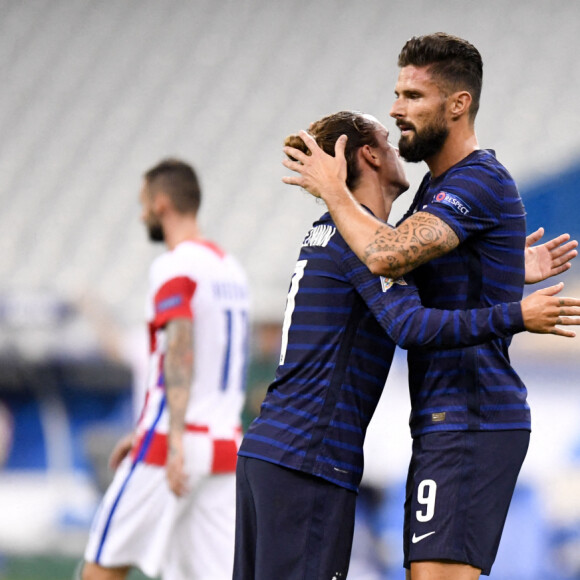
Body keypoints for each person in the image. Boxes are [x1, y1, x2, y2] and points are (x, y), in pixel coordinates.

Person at [234, 111, 580, 580]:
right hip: (307, 460)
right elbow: (412, 324)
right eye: (387, 142)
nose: (399, 148)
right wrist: (515, 314)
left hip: (277, 453)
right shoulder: (363, 243)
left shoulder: (334, 232)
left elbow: (405, 277)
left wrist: (501, 269)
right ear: (369, 155)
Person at [80, 159, 250, 580]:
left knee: (102, 567)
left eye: (142, 204)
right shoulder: (231, 269)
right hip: (226, 447)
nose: (141, 215)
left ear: (160, 204)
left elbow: (181, 347)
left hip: (171, 448)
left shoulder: (175, 265)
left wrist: (171, 439)